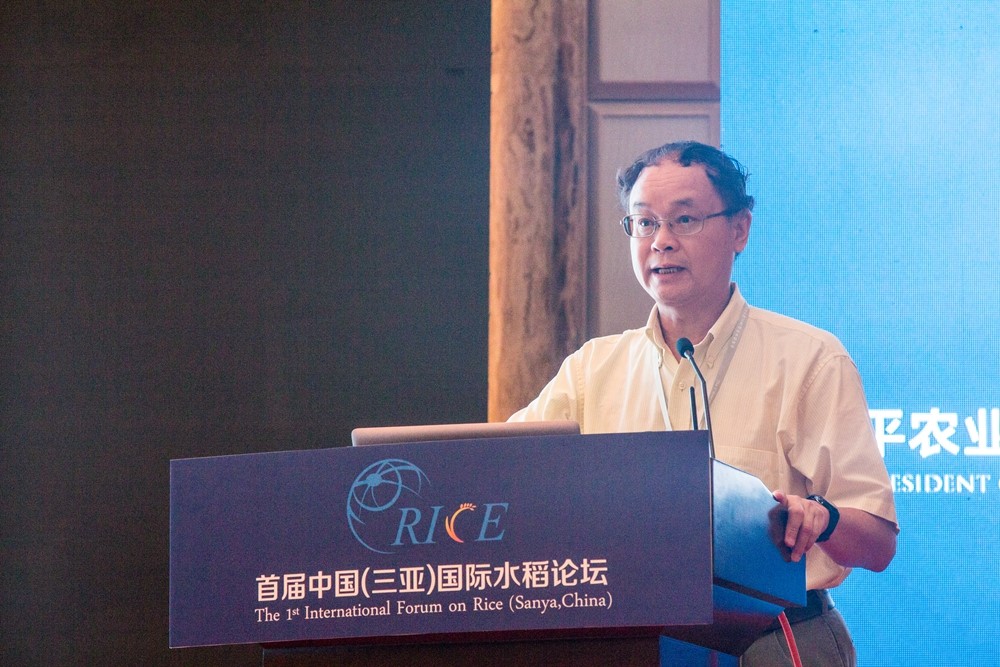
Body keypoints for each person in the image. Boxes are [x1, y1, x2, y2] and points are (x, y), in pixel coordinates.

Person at [508, 141, 898, 666]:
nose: (661, 241)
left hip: (774, 634)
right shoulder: (591, 370)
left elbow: (877, 542)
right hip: (628, 634)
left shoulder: (810, 359)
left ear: (740, 229)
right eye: (644, 223)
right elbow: (505, 477)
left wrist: (820, 519)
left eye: (684, 220)